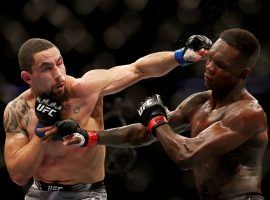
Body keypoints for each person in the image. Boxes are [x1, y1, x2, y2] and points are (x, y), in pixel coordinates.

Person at [52, 28, 268, 200]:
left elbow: (187, 155)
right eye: (210, 59)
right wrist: (89, 136)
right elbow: (145, 134)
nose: (209, 67)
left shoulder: (248, 113)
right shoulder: (199, 102)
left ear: (243, 74)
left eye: (220, 65)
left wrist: (157, 119)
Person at [3, 35, 212, 199]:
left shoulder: (84, 89)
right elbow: (19, 176)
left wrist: (180, 56)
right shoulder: (17, 111)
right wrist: (42, 131)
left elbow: (138, 69)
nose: (58, 74)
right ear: (27, 77)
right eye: (47, 68)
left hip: (87, 194)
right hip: (40, 194)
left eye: (59, 63)